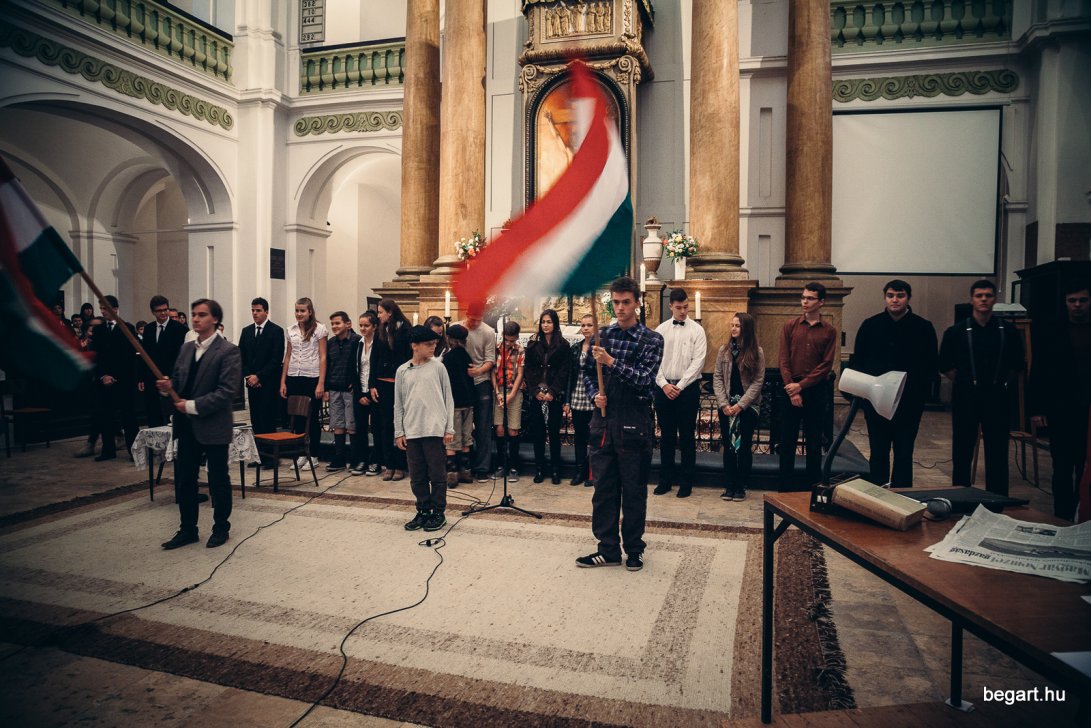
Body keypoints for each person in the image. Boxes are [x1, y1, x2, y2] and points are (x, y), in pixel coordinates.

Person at [576, 276, 663, 572]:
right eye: (615, 302)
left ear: (637, 303)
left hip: (634, 421)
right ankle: (608, 549)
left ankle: (634, 549)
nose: (620, 308)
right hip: (603, 421)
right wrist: (594, 394)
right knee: (603, 490)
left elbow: (645, 380)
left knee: (634, 491)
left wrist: (612, 362)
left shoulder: (652, 340)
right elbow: (588, 374)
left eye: (626, 302)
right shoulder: (602, 336)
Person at [158, 298, 242, 550]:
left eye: (202, 314)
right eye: (194, 314)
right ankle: (188, 529)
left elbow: (227, 391)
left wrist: (192, 405)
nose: (195, 319)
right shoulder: (186, 349)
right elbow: (178, 381)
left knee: (218, 479)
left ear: (215, 319)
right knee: (185, 480)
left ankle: (221, 528)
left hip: (213, 425)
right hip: (186, 426)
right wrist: (167, 387)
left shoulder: (228, 351)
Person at [939, 279, 1025, 495]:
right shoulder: (956, 331)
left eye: (988, 295)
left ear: (995, 299)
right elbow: (945, 364)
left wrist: (1000, 382)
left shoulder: (1008, 330)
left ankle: (997, 499)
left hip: (997, 396)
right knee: (962, 451)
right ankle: (960, 495)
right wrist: (965, 380)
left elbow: (1017, 364)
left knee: (998, 451)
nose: (984, 299)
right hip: (966, 396)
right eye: (979, 296)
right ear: (972, 299)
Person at [849, 280, 938, 487]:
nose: (895, 300)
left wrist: (919, 395)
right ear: (885, 297)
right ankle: (877, 497)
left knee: (904, 453)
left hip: (908, 402)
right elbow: (858, 362)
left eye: (900, 295)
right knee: (878, 452)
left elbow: (931, 365)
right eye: (890, 295)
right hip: (875, 402)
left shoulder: (923, 327)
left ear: (908, 298)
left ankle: (902, 497)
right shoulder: (870, 325)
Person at [1030, 282, 1090, 519]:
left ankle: (1082, 513)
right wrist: (1037, 409)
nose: (1077, 305)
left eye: (1082, 300)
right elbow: (1039, 371)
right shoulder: (1052, 331)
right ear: (1065, 303)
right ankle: (1062, 515)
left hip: (1089, 410)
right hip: (1061, 409)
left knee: (1086, 466)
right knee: (1062, 466)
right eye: (1072, 300)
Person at [777, 282, 838, 491]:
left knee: (813, 442)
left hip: (815, 391)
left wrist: (801, 386)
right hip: (790, 388)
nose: (805, 301)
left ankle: (812, 489)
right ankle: (784, 489)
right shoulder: (790, 326)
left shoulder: (829, 330)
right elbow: (783, 359)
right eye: (803, 297)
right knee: (787, 442)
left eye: (810, 298)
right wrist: (791, 387)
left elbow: (826, 365)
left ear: (821, 302)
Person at [395, 325, 455, 533]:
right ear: (415, 346)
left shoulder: (438, 368)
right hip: (412, 429)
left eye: (434, 344)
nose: (433, 348)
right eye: (428, 344)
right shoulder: (402, 371)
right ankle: (423, 509)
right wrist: (399, 431)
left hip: (434, 429)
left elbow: (448, 399)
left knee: (437, 474)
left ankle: (438, 512)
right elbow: (398, 404)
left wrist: (449, 428)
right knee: (417, 475)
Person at [653, 288, 707, 498]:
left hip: (688, 389)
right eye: (679, 307)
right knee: (666, 436)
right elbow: (654, 360)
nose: (683, 311)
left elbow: (698, 361)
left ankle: (686, 482)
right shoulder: (661, 329)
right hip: (663, 388)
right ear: (670, 307)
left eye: (686, 307)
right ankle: (665, 480)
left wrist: (681, 385)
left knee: (686, 436)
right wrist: (664, 384)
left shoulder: (697, 330)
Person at [713, 313, 765, 501]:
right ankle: (729, 485)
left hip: (747, 407)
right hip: (727, 405)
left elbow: (758, 382)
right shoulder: (724, 351)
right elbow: (718, 377)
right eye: (732, 325)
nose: (733, 328)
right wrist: (724, 403)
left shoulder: (756, 352)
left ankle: (741, 486)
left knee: (743, 446)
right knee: (728, 446)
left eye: (737, 325)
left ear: (746, 329)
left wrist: (741, 405)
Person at [279, 297, 328, 471]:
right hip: (294, 376)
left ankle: (313, 455)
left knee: (312, 417)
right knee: (297, 417)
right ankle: (301, 453)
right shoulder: (290, 330)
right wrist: (283, 381)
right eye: (297, 311)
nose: (299, 314)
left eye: (302, 311)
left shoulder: (319, 329)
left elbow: (323, 356)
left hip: (312, 377)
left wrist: (321, 383)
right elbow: (288, 356)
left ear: (310, 312)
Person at [523, 309, 571, 484]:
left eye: (549, 322)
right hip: (537, 394)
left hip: (553, 395)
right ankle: (539, 469)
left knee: (554, 433)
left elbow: (564, 370)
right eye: (543, 322)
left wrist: (553, 391)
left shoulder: (563, 345)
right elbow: (528, 369)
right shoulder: (533, 344)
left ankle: (555, 470)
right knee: (538, 433)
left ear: (555, 323)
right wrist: (535, 390)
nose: (545, 325)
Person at [91, 295, 139, 461]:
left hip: (123, 380)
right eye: (101, 308)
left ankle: (134, 451)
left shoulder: (127, 328)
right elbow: (97, 356)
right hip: (104, 381)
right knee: (106, 416)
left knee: (129, 417)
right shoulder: (98, 330)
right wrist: (103, 375)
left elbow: (129, 357)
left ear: (115, 309)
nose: (103, 311)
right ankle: (108, 450)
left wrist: (117, 376)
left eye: (106, 308)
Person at [370, 298, 412, 481]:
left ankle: (401, 465)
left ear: (390, 312)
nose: (378, 316)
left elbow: (409, 356)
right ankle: (389, 465)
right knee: (385, 424)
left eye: (380, 312)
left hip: (400, 381)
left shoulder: (406, 330)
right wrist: (372, 384)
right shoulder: (380, 331)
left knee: (400, 424)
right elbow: (374, 358)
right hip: (382, 382)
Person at [238, 297, 285, 441]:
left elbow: (276, 359)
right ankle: (258, 451)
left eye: (258, 310)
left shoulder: (276, 331)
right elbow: (240, 356)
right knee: (255, 420)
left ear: (266, 311)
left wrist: (258, 376)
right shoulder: (246, 331)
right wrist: (248, 376)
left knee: (267, 419)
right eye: (253, 310)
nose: (254, 313)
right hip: (251, 384)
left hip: (268, 383)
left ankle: (269, 452)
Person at [139, 295, 187, 428]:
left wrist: (173, 378)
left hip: (171, 378)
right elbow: (145, 354)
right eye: (159, 311)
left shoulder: (179, 328)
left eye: (165, 309)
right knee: (153, 415)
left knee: (171, 417)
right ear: (153, 312)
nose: (163, 313)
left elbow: (181, 357)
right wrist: (142, 377)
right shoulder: (149, 329)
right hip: (152, 378)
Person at [460, 305, 496, 481]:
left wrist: (479, 371)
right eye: (472, 319)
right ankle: (462, 465)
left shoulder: (488, 332)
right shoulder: (458, 328)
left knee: (483, 425)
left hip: (481, 381)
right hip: (462, 383)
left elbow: (490, 359)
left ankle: (482, 467)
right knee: (461, 424)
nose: (475, 323)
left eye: (478, 320)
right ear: (466, 314)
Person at [324, 311, 361, 472]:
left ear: (348, 324)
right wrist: (326, 388)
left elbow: (360, 365)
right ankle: (339, 458)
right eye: (332, 324)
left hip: (349, 389)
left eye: (337, 323)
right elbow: (327, 366)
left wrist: (355, 384)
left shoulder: (357, 341)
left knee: (351, 424)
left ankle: (355, 458)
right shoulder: (331, 343)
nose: (334, 326)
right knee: (337, 424)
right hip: (334, 388)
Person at [442, 324, 476, 485]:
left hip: (454, 403)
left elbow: (446, 382)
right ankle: (466, 471)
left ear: (450, 339)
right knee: (466, 437)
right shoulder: (466, 356)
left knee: (452, 439)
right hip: (468, 402)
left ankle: (452, 473)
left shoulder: (448, 358)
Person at [564, 314, 596, 487]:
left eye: (589, 325)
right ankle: (579, 472)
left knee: (594, 438)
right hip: (577, 395)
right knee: (580, 437)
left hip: (593, 397)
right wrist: (567, 400)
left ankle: (592, 473)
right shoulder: (575, 348)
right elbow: (570, 375)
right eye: (583, 325)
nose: (585, 328)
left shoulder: (600, 348)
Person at [492, 320, 525, 480]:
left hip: (514, 391)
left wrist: (512, 395)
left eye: (512, 340)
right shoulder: (496, 349)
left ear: (517, 337)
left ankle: (513, 466)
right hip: (498, 390)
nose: (509, 343)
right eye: (507, 340)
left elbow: (520, 374)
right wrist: (497, 392)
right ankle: (501, 464)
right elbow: (492, 372)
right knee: (499, 428)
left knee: (513, 428)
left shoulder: (520, 350)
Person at [350, 311, 381, 476]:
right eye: (361, 325)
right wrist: (359, 394)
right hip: (360, 391)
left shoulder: (380, 343)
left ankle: (376, 460)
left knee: (376, 428)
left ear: (374, 326)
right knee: (360, 428)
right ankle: (362, 459)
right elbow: (353, 369)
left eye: (366, 325)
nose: (363, 328)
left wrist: (369, 393)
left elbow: (377, 369)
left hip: (374, 392)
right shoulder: (357, 343)